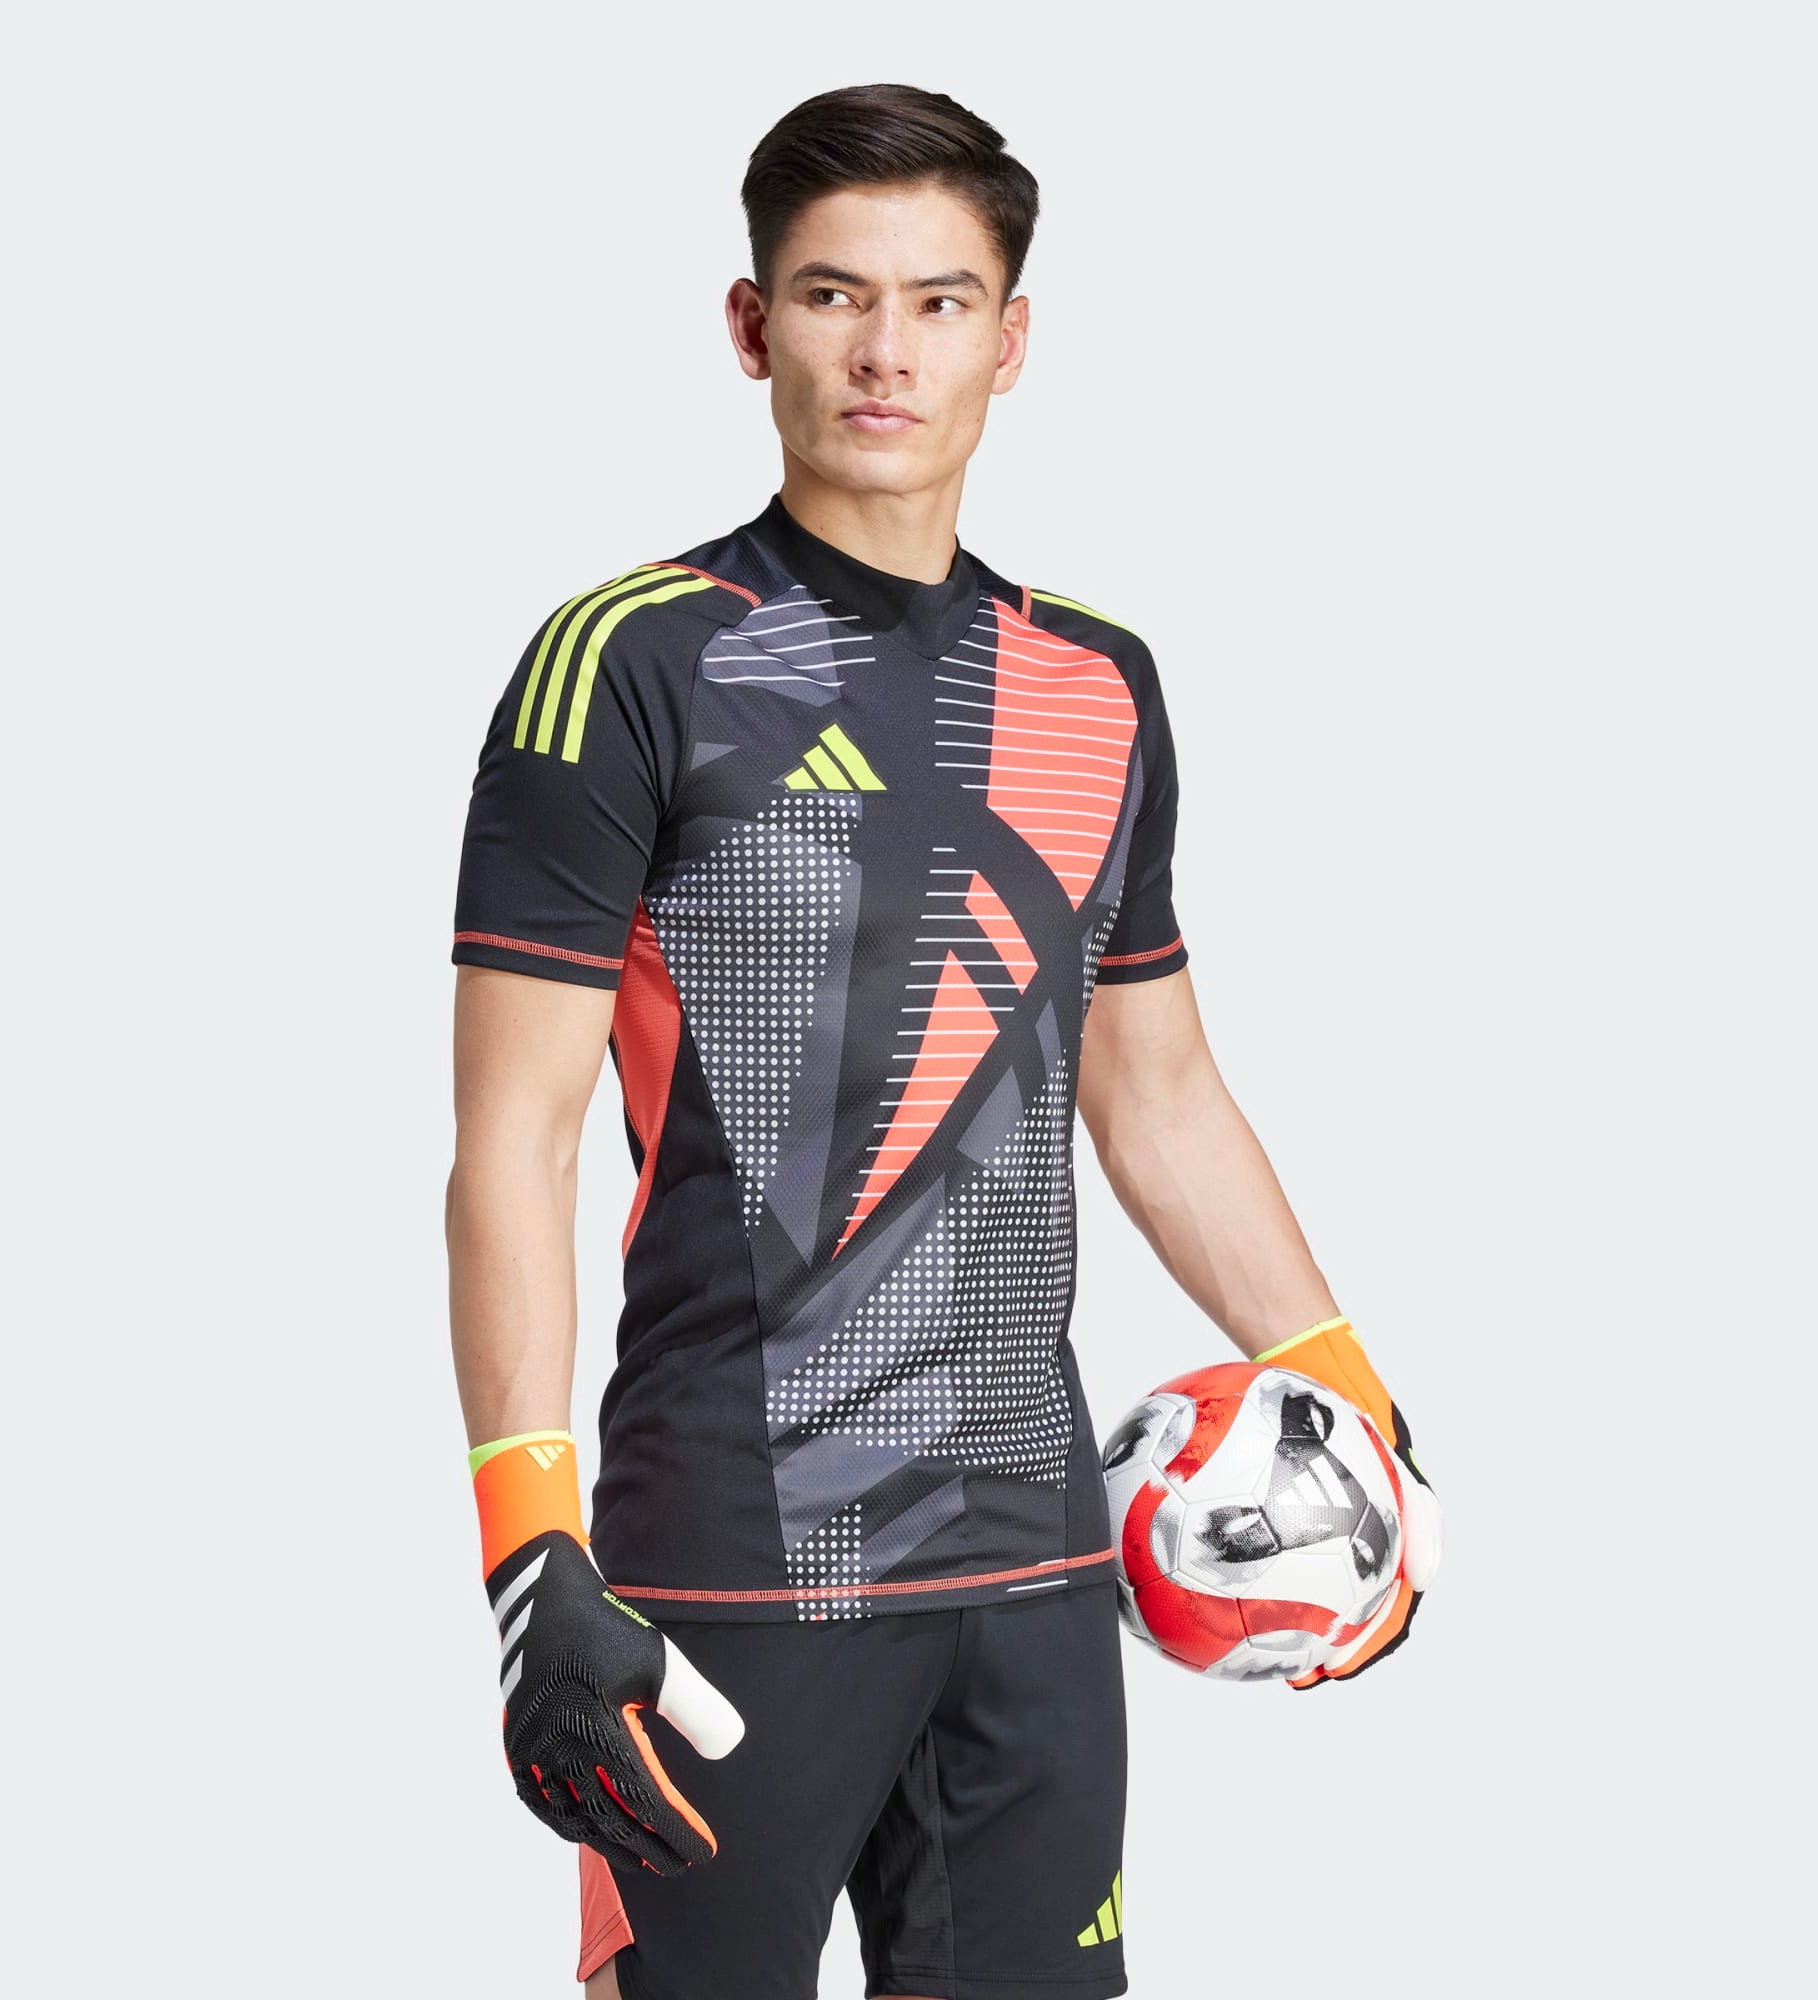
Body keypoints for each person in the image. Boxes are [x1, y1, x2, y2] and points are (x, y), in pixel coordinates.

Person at [446, 82, 1438, 2000]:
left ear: (1012, 338)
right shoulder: (630, 661)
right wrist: (527, 1552)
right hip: (731, 1573)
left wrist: (1352, 1400)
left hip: (1039, 1570)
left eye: (938, 300)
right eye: (833, 296)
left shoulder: (1101, 681)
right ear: (753, 328)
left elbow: (1157, 1093)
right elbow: (513, 1145)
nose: (884, 352)